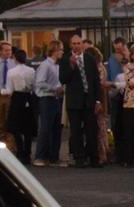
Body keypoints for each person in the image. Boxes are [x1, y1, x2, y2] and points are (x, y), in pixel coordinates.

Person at [59, 35, 102, 168]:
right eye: (74, 43)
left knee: (91, 130)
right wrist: (71, 66)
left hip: (89, 99)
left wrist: (98, 100)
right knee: (76, 131)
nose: (77, 46)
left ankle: (94, 157)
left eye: (79, 43)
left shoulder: (90, 59)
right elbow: (63, 79)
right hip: (74, 101)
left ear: (82, 44)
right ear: (71, 45)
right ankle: (79, 158)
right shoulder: (65, 60)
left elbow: (96, 81)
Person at [33, 40, 66, 167]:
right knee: (45, 128)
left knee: (56, 128)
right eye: (61, 49)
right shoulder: (45, 65)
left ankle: (54, 156)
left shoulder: (57, 65)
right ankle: (40, 156)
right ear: (55, 50)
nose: (62, 52)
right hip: (47, 98)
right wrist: (54, 88)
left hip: (57, 99)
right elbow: (39, 82)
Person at [6, 49, 37, 164]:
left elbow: (9, 90)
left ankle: (20, 151)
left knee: (16, 127)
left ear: (15, 58)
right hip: (28, 97)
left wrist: (2, 91)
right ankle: (28, 153)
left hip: (17, 98)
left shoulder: (11, 72)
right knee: (28, 127)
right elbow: (34, 86)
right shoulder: (31, 70)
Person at [86, 44, 111, 165]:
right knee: (101, 126)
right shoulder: (100, 67)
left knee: (99, 127)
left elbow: (99, 85)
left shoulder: (98, 68)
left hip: (99, 99)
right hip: (102, 98)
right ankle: (102, 152)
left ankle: (102, 153)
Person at [106, 37, 129, 161]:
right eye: (116, 49)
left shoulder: (129, 58)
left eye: (120, 48)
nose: (118, 51)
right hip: (115, 93)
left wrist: (125, 58)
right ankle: (119, 151)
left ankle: (127, 152)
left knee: (126, 123)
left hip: (127, 94)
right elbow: (111, 75)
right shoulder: (111, 59)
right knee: (115, 123)